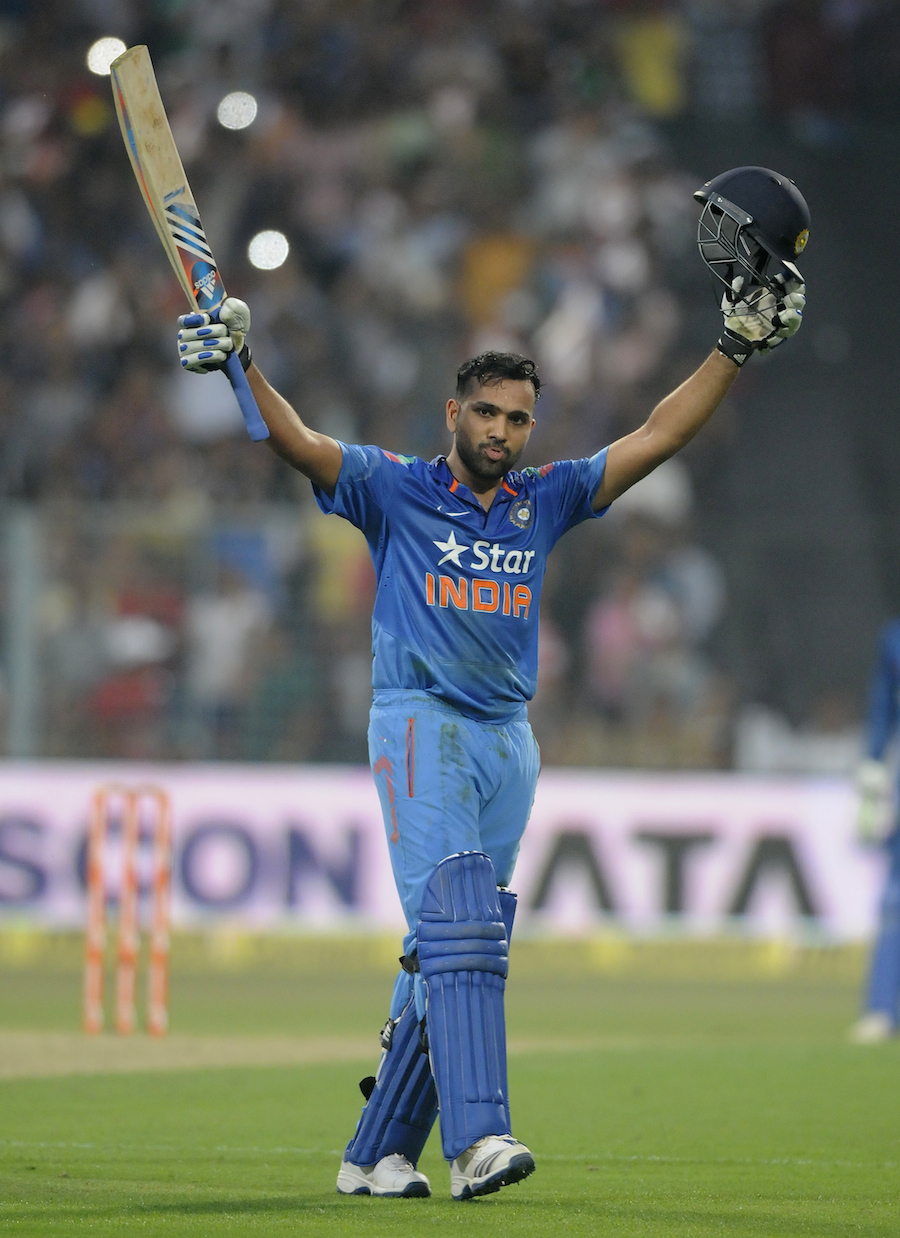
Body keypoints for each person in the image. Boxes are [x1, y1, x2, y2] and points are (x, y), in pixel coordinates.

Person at [175, 169, 807, 1200]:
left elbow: (657, 433)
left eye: (518, 417)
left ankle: (374, 1151)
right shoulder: (391, 487)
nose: (503, 431)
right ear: (453, 411)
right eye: (487, 413)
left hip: (507, 737)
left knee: (456, 941)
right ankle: (478, 1140)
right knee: (460, 920)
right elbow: (296, 441)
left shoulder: (543, 499)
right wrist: (241, 361)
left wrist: (731, 348)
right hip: (420, 720)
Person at [850, 619, 900, 1043]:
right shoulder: (894, 640)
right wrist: (872, 770)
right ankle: (884, 1008)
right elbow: (882, 710)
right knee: (895, 899)